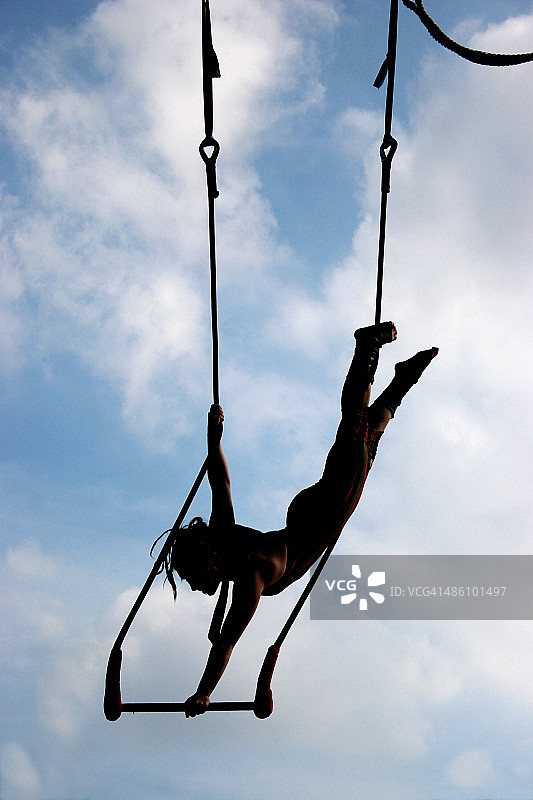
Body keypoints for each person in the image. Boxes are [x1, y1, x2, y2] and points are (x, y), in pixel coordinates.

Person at [167, 322, 438, 717]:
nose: (198, 587)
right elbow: (220, 481)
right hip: (309, 516)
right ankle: (401, 381)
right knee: (367, 439)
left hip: (322, 516)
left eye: (195, 578)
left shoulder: (251, 573)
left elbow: (226, 641)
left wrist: (203, 692)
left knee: (354, 429)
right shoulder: (225, 538)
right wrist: (213, 442)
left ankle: (367, 348)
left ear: (209, 562)